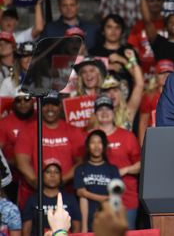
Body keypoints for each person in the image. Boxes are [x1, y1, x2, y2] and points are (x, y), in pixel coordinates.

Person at [15, 92, 85, 209]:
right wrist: (36, 182)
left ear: (60, 106)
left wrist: (62, 180)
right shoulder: (28, 130)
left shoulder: (73, 131)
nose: (50, 108)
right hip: (33, 195)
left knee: (64, 227)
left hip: (65, 196)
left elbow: (81, 161)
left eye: (54, 104)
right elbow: (21, 162)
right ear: (39, 106)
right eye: (45, 104)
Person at [91, 95, 141, 229]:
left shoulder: (127, 136)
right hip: (97, 198)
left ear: (114, 112)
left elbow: (141, 165)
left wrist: (124, 170)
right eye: (100, 110)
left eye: (108, 109)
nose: (104, 113)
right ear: (95, 114)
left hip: (126, 198)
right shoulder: (89, 137)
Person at [74, 130, 121, 232]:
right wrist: (103, 198)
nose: (96, 146)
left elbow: (115, 197)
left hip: (107, 215)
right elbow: (80, 193)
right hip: (86, 216)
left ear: (104, 145)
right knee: (83, 198)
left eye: (99, 142)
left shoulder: (112, 169)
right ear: (87, 146)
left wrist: (87, 194)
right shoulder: (80, 169)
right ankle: (84, 229)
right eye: (92, 142)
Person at [22, 161, 81, 235]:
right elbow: (26, 228)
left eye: (56, 172)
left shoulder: (70, 199)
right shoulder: (33, 200)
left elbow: (77, 227)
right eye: (48, 172)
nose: (52, 175)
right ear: (42, 176)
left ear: (60, 176)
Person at [138, 59, 174, 145]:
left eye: (169, 72)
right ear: (156, 76)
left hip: (173, 137)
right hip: (154, 139)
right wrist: (143, 146)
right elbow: (143, 123)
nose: (166, 76)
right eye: (162, 73)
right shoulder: (149, 96)